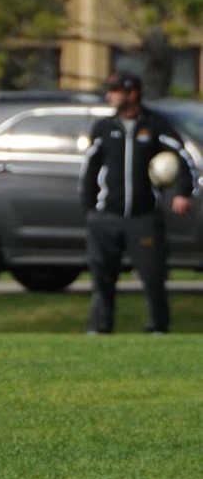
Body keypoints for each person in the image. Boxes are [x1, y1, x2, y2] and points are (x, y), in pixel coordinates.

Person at [79, 71, 198, 334]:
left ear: (132, 94)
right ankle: (100, 327)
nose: (109, 96)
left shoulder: (155, 125)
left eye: (115, 90)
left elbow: (184, 159)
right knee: (102, 276)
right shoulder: (104, 128)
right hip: (106, 216)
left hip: (143, 216)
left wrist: (182, 192)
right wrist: (90, 209)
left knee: (153, 274)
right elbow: (89, 169)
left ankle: (158, 326)